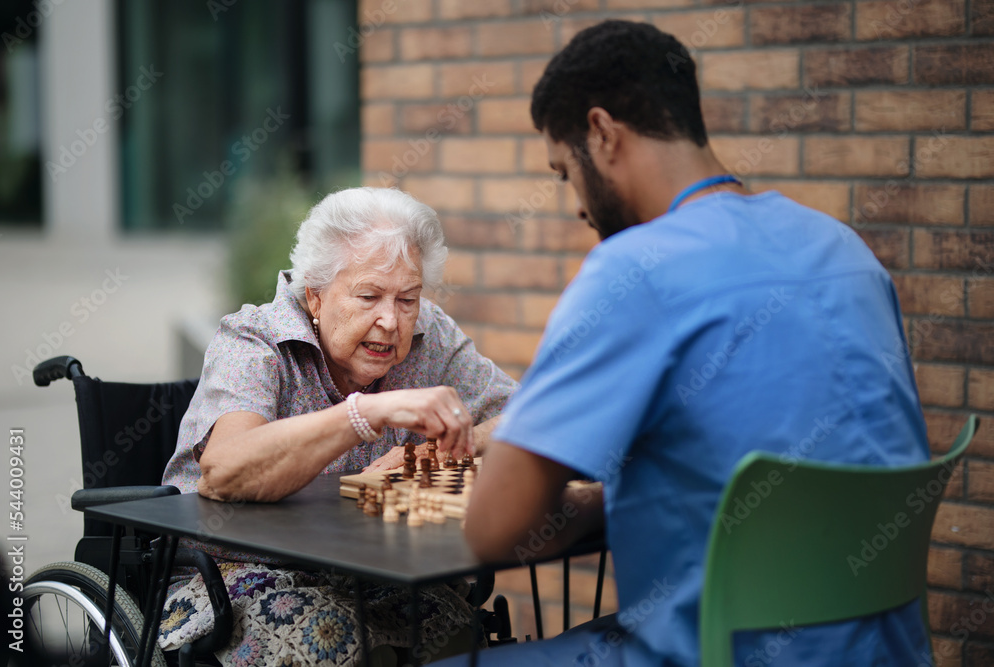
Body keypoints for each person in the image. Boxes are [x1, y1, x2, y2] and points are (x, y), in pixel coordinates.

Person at [444, 20, 932, 667]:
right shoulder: (844, 249)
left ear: (602, 132)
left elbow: (492, 528)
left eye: (565, 174)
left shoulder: (634, 270)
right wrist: (608, 502)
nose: (578, 208)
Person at [159, 186, 517, 666]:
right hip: (231, 572)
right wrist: (364, 415)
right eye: (368, 296)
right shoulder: (252, 341)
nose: (390, 321)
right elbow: (225, 471)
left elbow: (530, 415)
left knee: (462, 641)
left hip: (366, 571)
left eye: (407, 299)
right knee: (344, 646)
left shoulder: (430, 334)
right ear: (315, 295)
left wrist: (449, 448)